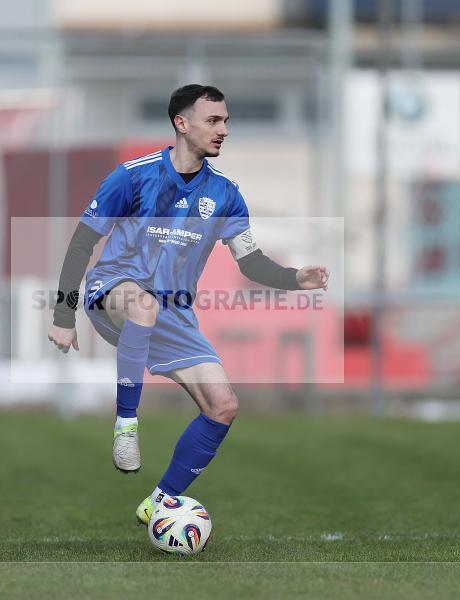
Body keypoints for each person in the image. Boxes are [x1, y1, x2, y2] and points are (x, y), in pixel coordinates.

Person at [47, 84, 329, 523]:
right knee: (142, 304)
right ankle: (126, 425)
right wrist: (64, 316)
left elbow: (251, 262)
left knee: (223, 405)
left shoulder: (226, 194)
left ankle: (159, 502)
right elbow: (83, 242)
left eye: (227, 121)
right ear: (182, 123)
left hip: (172, 311)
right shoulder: (133, 176)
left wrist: (296, 278)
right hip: (113, 291)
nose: (224, 130)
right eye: (214, 121)